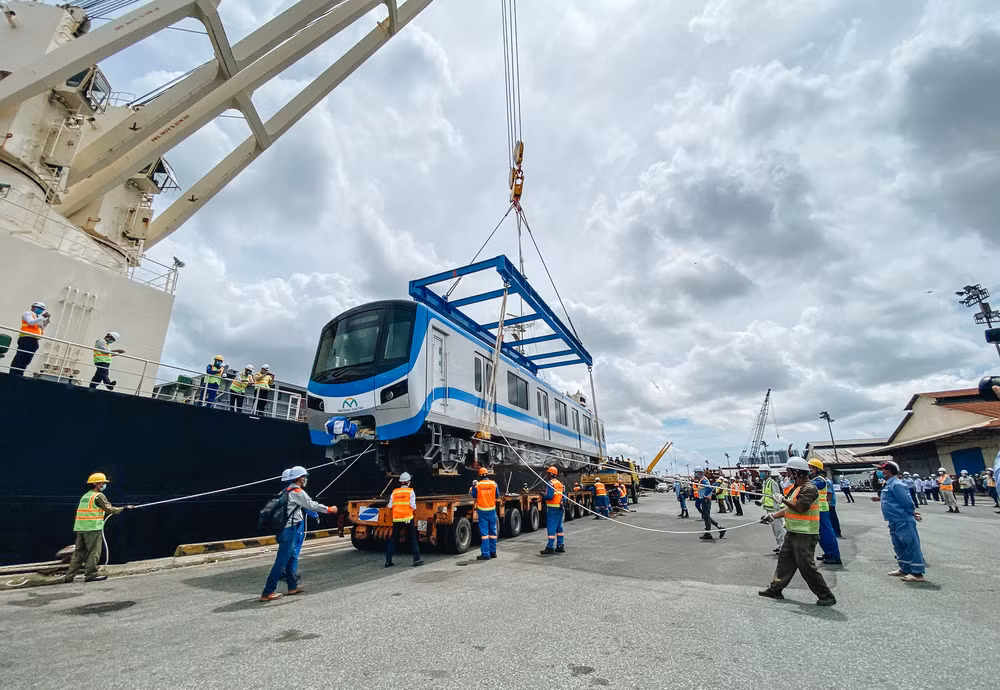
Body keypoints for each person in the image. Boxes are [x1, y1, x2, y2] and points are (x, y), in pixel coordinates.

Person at [758, 457, 836, 606]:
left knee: (806, 566)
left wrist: (782, 500)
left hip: (805, 534)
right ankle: (775, 589)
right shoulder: (797, 488)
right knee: (784, 563)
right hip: (793, 532)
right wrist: (772, 516)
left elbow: (800, 507)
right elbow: (790, 508)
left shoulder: (809, 488)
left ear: (796, 472)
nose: (787, 474)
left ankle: (826, 595)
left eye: (789, 471)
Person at [260, 466, 337, 601]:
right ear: (300, 478)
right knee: (281, 561)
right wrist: (330, 509)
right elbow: (312, 505)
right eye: (304, 477)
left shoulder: (286, 490)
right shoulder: (297, 492)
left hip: (289, 529)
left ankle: (292, 587)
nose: (305, 479)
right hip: (288, 530)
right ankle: (267, 592)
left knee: (292, 557)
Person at [64, 472, 132, 583]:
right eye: (103, 483)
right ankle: (91, 574)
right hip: (92, 528)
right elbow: (109, 509)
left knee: (79, 553)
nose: (104, 485)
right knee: (93, 552)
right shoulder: (98, 496)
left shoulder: (85, 496)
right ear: (96, 484)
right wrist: (124, 508)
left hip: (81, 528)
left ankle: (69, 576)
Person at [874, 461, 927, 582]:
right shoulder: (888, 484)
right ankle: (904, 568)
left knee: (910, 545)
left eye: (882, 470)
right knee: (899, 545)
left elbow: (907, 502)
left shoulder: (897, 484)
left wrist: (912, 513)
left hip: (902, 519)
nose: (879, 473)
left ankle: (917, 573)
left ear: (888, 471)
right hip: (893, 520)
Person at [385, 472, 424, 568]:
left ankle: (388, 561)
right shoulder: (411, 492)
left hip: (397, 519)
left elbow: (390, 505)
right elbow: (413, 506)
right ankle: (417, 559)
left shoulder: (394, 492)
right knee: (413, 538)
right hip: (407, 518)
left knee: (393, 539)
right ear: (408, 482)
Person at [807, 459, 841, 565]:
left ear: (817, 469)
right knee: (821, 534)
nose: (809, 470)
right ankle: (828, 552)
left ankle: (834, 555)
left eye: (811, 468)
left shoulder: (820, 480)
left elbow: (808, 485)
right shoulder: (815, 479)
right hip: (817, 510)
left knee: (826, 533)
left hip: (822, 509)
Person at [10, 301, 50, 377]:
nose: (41, 311)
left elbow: (39, 329)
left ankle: (20, 374)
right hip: (26, 338)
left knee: (27, 359)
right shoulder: (27, 313)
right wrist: (42, 317)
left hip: (34, 340)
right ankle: (13, 374)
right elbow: (30, 322)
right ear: (34, 308)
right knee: (20, 357)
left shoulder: (38, 318)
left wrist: (45, 324)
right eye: (40, 308)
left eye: (42, 309)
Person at [755, 465, 785, 554]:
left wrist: (776, 511)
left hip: (774, 510)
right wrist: (760, 501)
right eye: (760, 472)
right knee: (775, 529)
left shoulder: (772, 483)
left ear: (768, 473)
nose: (761, 474)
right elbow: (766, 496)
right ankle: (780, 545)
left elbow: (777, 497)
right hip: (769, 509)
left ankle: (783, 546)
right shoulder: (765, 483)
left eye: (763, 472)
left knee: (779, 528)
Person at [472, 468, 499, 561]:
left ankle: (486, 554)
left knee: (484, 534)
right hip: (492, 510)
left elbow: (474, 495)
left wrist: (473, 485)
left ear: (479, 475)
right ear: (487, 474)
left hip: (482, 511)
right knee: (493, 533)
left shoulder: (477, 485)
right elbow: (497, 495)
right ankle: (493, 552)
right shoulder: (493, 483)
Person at [695, 467, 725, 541]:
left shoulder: (703, 480)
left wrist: (704, 495)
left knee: (706, 517)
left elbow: (709, 488)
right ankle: (720, 528)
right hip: (704, 500)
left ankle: (709, 533)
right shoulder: (701, 480)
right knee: (706, 517)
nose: (695, 474)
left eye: (696, 472)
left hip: (706, 500)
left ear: (699, 472)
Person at [540, 466, 565, 555]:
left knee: (551, 527)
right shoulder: (560, 484)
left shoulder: (550, 483)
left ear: (551, 474)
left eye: (548, 473)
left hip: (552, 508)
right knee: (559, 527)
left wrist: (543, 495)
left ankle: (550, 547)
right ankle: (560, 545)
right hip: (560, 507)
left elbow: (549, 496)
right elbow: (563, 496)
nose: (547, 475)